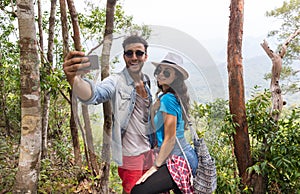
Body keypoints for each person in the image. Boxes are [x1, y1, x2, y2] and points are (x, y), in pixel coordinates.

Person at [62, 35, 155, 194]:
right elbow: (94, 94)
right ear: (124, 56)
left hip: (149, 151)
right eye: (129, 53)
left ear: (145, 57)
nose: (134, 57)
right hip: (131, 156)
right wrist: (74, 79)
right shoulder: (115, 81)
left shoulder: (146, 81)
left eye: (139, 53)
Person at [131, 52, 198, 194]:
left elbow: (170, 139)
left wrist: (155, 167)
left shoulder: (168, 99)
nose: (161, 74)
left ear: (176, 78)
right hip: (174, 157)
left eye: (166, 72)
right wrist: (154, 110)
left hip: (179, 159)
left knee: (138, 191)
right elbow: (157, 130)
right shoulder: (166, 97)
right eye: (159, 71)